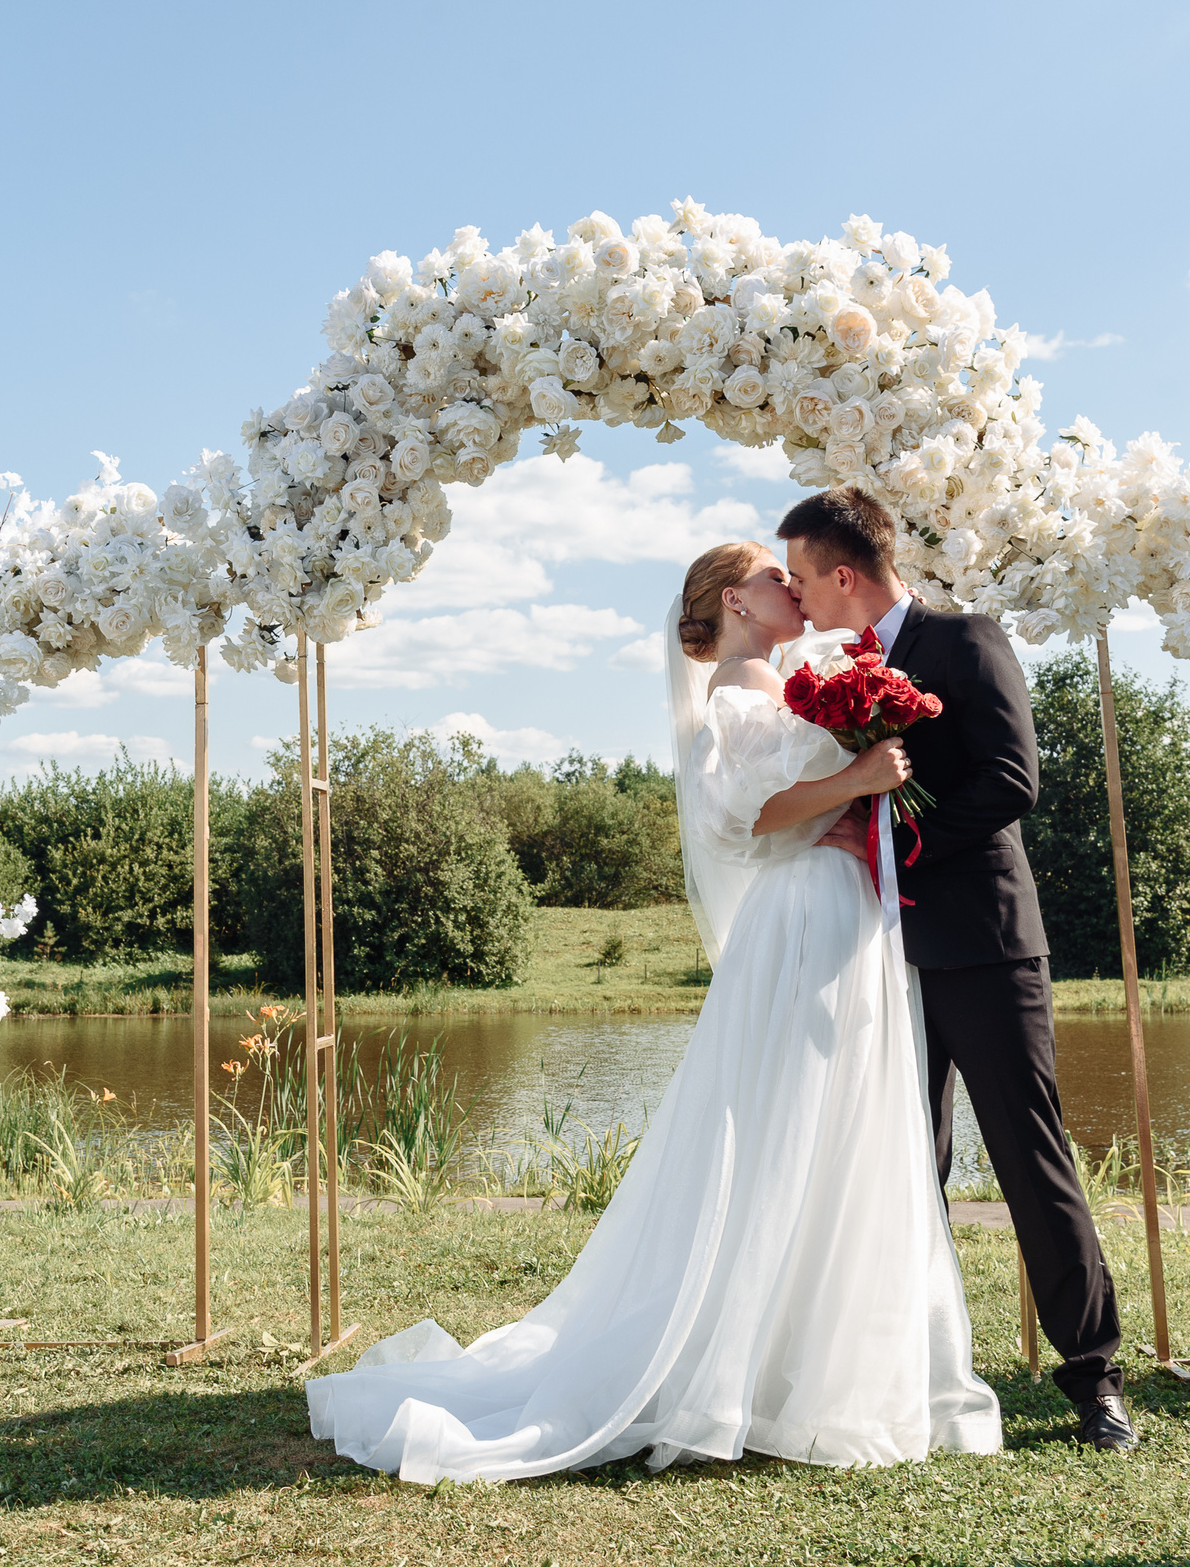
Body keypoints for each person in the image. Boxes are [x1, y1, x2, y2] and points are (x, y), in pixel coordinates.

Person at [304, 540, 1001, 1483]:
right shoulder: (740, 685)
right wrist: (857, 779)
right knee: (787, 1128)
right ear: (733, 601)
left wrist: (870, 778)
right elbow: (740, 816)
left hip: (846, 910)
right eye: (770, 576)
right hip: (804, 916)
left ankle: (800, 1362)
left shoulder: (790, 671)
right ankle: (745, 1369)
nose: (790, 586)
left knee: (834, 1130)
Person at [777, 485, 1138, 1452]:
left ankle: (1095, 1377)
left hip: (983, 942)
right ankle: (918, 1370)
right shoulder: (838, 667)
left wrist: (898, 826)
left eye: (804, 578)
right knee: (904, 1160)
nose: (797, 597)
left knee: (1029, 1154)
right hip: (880, 951)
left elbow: (1013, 777)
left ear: (844, 573)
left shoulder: (966, 640)